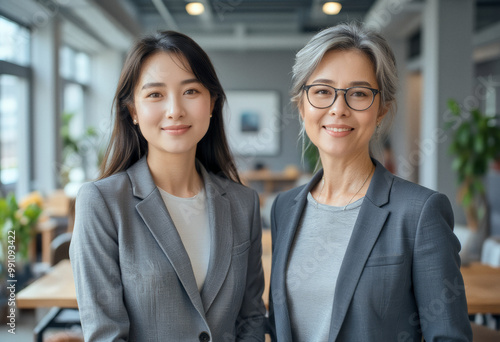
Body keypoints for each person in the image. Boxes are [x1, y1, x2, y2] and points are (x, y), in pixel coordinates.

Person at [267, 23, 472, 341]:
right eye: (322, 91)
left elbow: (447, 335)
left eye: (359, 94)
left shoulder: (419, 213)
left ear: (381, 111)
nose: (338, 109)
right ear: (301, 105)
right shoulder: (284, 207)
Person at [69, 31, 266, 341]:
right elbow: (106, 334)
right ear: (133, 110)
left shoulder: (244, 203)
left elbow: (251, 318)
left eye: (190, 91)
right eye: (155, 94)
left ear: (212, 102)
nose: (175, 110)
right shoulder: (102, 203)